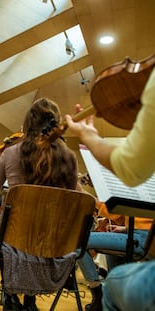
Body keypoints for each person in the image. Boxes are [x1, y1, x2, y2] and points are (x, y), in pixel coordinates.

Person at [66, 68, 155, 311]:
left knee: (78, 240)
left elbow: (108, 208)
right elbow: (114, 213)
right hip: (136, 234)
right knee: (114, 248)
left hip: (143, 239)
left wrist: (90, 139)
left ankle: (97, 290)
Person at [0, 97, 79, 311]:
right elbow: (79, 201)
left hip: (14, 239)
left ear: (27, 124)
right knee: (23, 230)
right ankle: (29, 301)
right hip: (54, 243)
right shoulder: (69, 158)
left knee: (8, 228)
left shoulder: (11, 153)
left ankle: (10, 296)